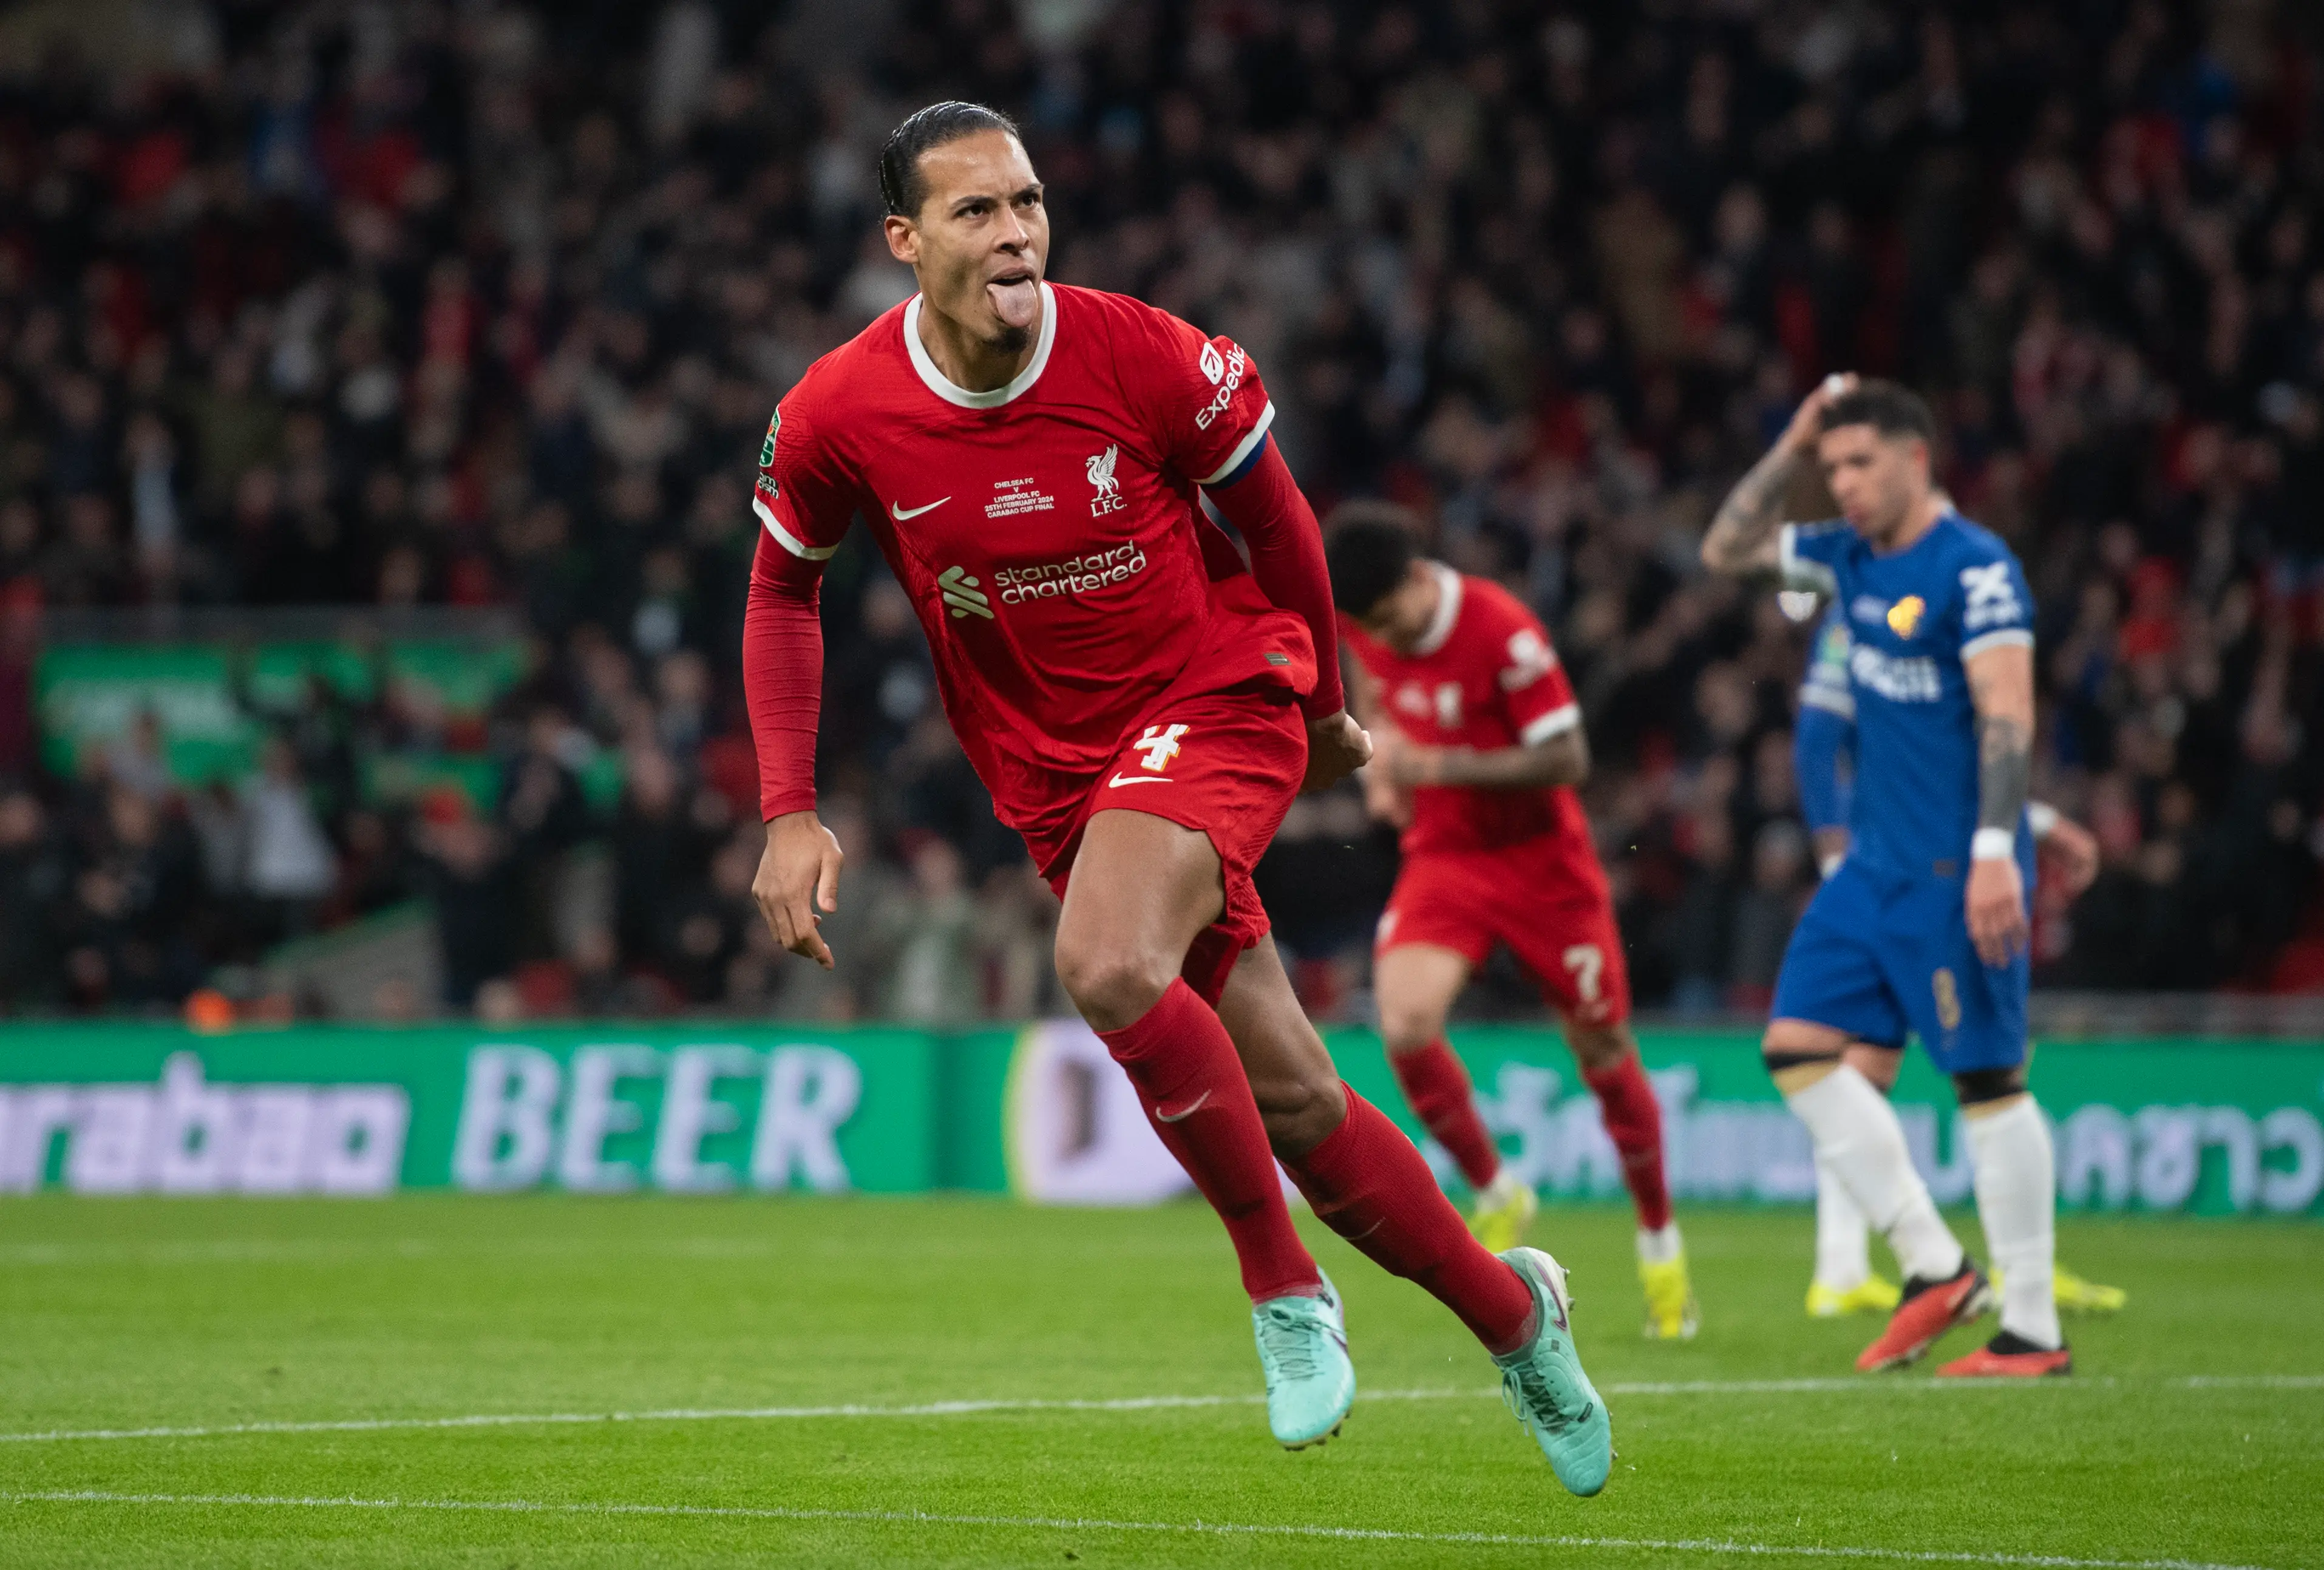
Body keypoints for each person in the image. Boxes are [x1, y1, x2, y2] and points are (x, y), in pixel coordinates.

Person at [742, 102, 1609, 1492]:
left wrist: (1324, 706)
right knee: (1296, 1098)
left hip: (1217, 691)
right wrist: (789, 805)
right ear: (904, 243)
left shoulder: (1146, 354)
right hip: (1054, 773)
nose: (1015, 231)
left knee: (1100, 959)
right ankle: (1517, 1315)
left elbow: (1277, 523)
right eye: (973, 212)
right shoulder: (840, 411)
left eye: (1026, 200)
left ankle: (1282, 1289)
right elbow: (783, 586)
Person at [1701, 373, 2069, 1377]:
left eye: (1860, 462)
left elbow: (2004, 718)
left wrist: (2000, 851)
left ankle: (2031, 1327)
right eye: (1833, 468)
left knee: (1987, 1084)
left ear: (1917, 457)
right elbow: (1723, 550)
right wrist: (1790, 443)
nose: (1845, 484)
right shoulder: (1844, 557)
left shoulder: (1976, 570)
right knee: (1794, 1049)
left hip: (1959, 870)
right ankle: (1932, 1263)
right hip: (1869, 869)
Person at [1327, 503, 1697, 1341]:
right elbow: (1382, 695)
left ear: (1420, 579)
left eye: (1388, 617)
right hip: (1446, 858)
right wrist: (1388, 772)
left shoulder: (1502, 629)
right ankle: (1498, 1189)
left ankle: (1660, 1243)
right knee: (1406, 1024)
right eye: (1367, 625)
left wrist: (1442, 764)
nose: (1382, 634)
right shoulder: (1370, 628)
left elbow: (1569, 757)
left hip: (1544, 868)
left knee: (1602, 1052)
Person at [1792, 604, 2127, 1322]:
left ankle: (1846, 1265)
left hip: (1930, 858)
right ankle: (2011, 1274)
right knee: (1981, 1071)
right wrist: (1835, 863)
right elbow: (1820, 742)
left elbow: (1937, 765)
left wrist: (2033, 821)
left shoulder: (1918, 609)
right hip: (1918, 875)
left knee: (1867, 1066)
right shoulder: (1877, 606)